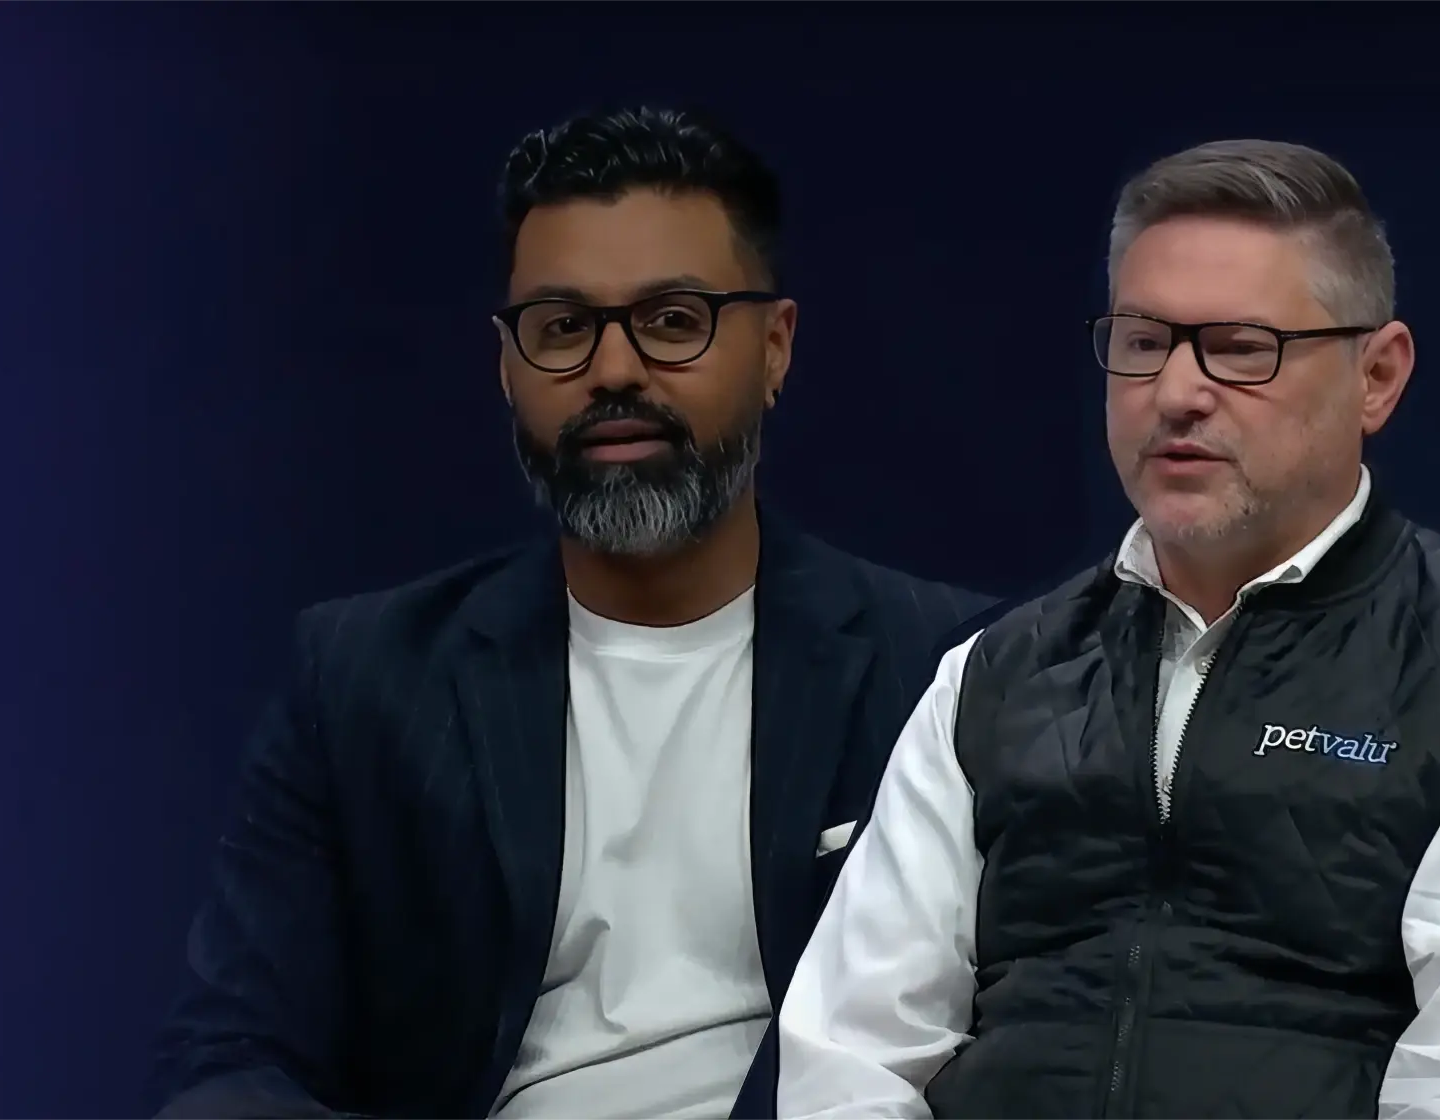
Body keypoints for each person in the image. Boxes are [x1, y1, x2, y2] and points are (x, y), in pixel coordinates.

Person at [152, 105, 998, 1120]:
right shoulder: (365, 677)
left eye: (672, 320)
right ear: (507, 364)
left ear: (775, 347)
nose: (613, 370)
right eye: (561, 328)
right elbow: (231, 1057)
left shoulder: (943, 667)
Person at [775, 138, 1440, 1120]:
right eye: (1143, 342)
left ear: (1376, 376)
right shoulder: (994, 676)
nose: (1176, 391)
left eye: (1240, 346)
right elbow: (851, 1054)